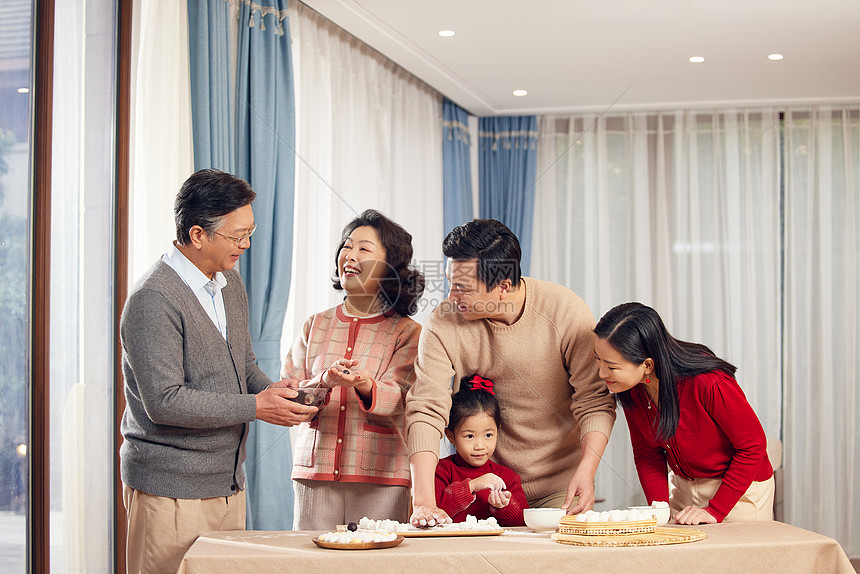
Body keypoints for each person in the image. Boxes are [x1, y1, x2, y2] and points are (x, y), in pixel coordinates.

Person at [119, 169, 318, 574]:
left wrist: (280, 393)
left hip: (228, 485)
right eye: (236, 235)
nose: (246, 244)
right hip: (170, 491)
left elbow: (243, 367)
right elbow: (165, 403)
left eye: (250, 231)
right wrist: (256, 406)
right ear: (197, 235)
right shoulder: (153, 300)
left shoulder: (228, 282)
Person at [406, 219, 616, 526]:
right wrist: (423, 501)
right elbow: (426, 408)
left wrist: (587, 471)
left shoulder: (565, 310)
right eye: (450, 283)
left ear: (503, 286)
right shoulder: (444, 323)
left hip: (559, 489)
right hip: (485, 488)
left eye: (462, 287)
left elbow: (594, 401)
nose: (451, 296)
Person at [283, 209, 424, 529]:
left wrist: (362, 383)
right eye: (346, 246)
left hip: (383, 479)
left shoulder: (408, 332)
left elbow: (403, 397)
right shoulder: (314, 325)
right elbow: (289, 394)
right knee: (314, 563)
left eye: (364, 248)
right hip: (315, 475)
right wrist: (324, 381)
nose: (350, 254)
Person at [593, 302, 774, 525]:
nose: (601, 373)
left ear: (647, 365)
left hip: (739, 493)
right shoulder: (631, 388)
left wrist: (715, 510)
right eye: (597, 359)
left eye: (611, 367)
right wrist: (659, 512)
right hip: (683, 490)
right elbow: (647, 454)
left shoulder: (708, 381)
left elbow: (753, 447)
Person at [435, 374, 528, 526]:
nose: (480, 445)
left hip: (493, 549)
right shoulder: (441, 470)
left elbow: (523, 524)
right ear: (451, 436)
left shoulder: (508, 478)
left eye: (488, 435)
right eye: (470, 436)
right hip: (451, 548)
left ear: (498, 431)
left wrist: (504, 506)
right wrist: (472, 486)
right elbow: (436, 511)